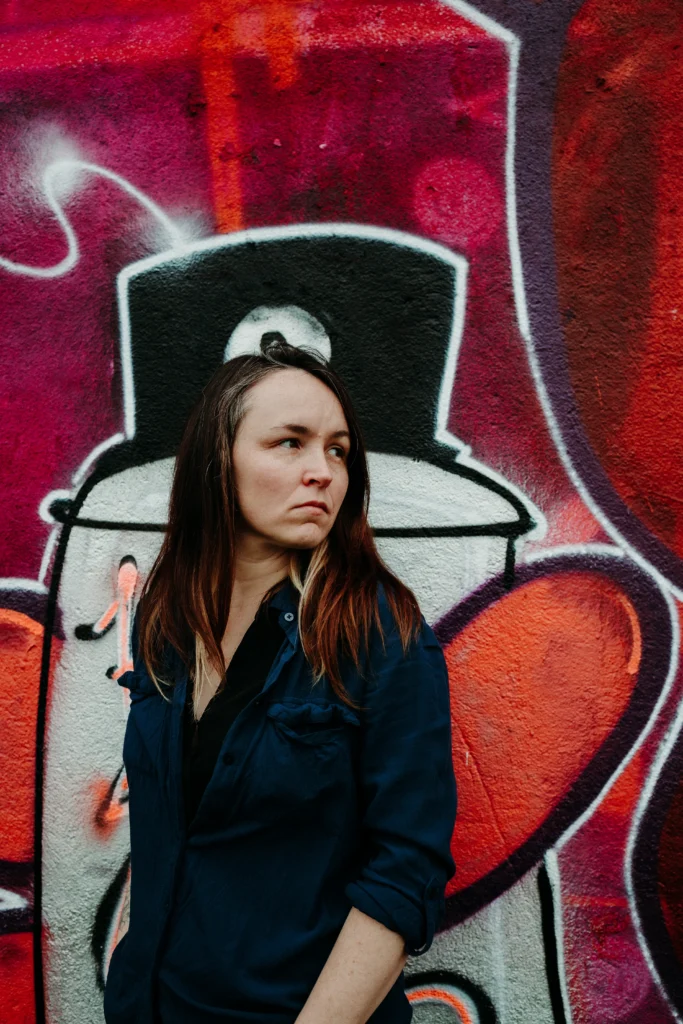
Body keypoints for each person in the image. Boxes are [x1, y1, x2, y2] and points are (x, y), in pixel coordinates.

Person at [103, 335, 457, 1024]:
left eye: (337, 449)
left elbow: (404, 874)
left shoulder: (379, 637)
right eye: (288, 443)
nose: (322, 470)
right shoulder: (166, 623)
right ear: (217, 462)